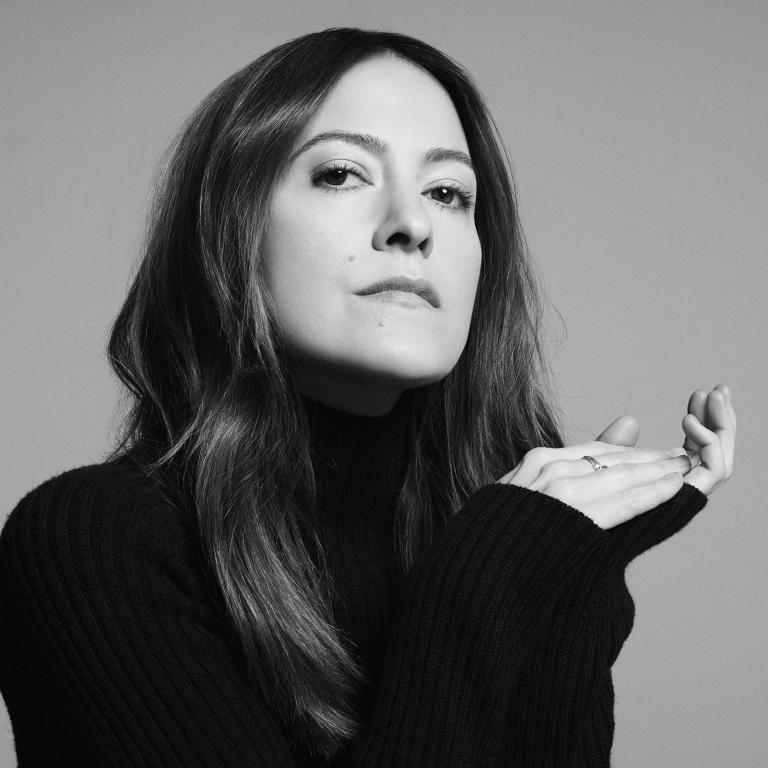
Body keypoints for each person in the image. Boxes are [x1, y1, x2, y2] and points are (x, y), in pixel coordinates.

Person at [0, 27, 735, 767]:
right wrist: (483, 583)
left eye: (447, 193)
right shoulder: (93, 543)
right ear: (229, 227)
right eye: (341, 174)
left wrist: (569, 582)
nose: (413, 225)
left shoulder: (497, 525)